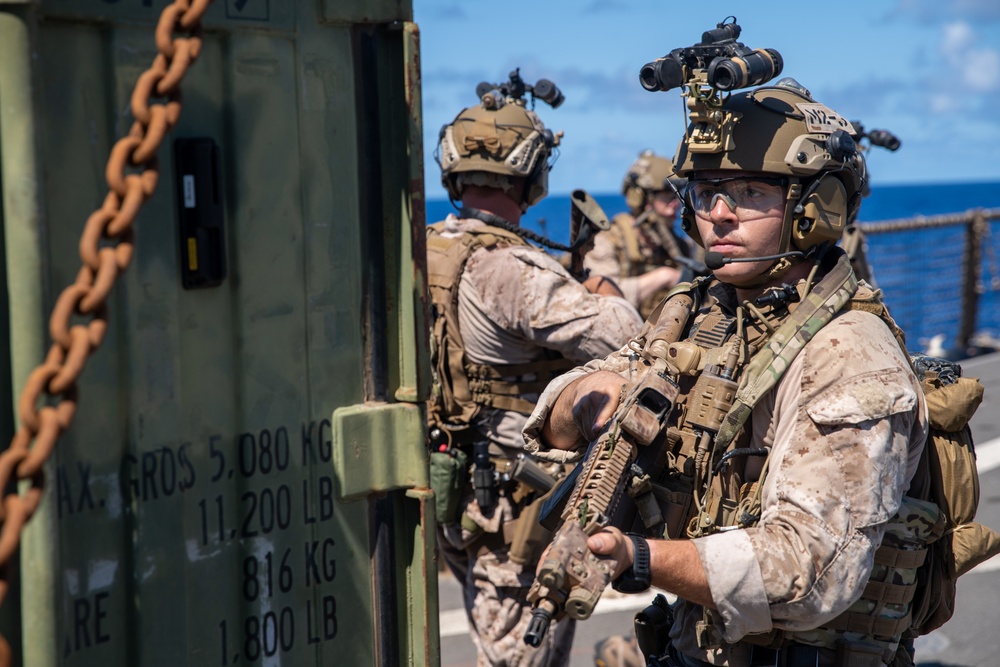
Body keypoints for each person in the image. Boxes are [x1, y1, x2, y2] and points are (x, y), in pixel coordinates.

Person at [524, 79, 929, 667]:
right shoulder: (704, 313)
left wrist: (639, 557)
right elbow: (570, 406)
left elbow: (811, 573)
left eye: (748, 191)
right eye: (706, 190)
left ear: (817, 206)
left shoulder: (848, 353)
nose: (717, 214)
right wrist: (588, 400)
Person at [427, 79, 643, 666]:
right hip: (515, 500)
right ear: (530, 176)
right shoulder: (508, 267)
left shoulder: (428, 249)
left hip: (460, 487)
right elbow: (625, 333)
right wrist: (599, 282)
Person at [581, 150, 704, 319]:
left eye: (677, 197)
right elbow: (600, 294)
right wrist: (663, 277)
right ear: (640, 198)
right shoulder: (609, 239)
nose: (675, 205)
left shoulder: (678, 244)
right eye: (667, 198)